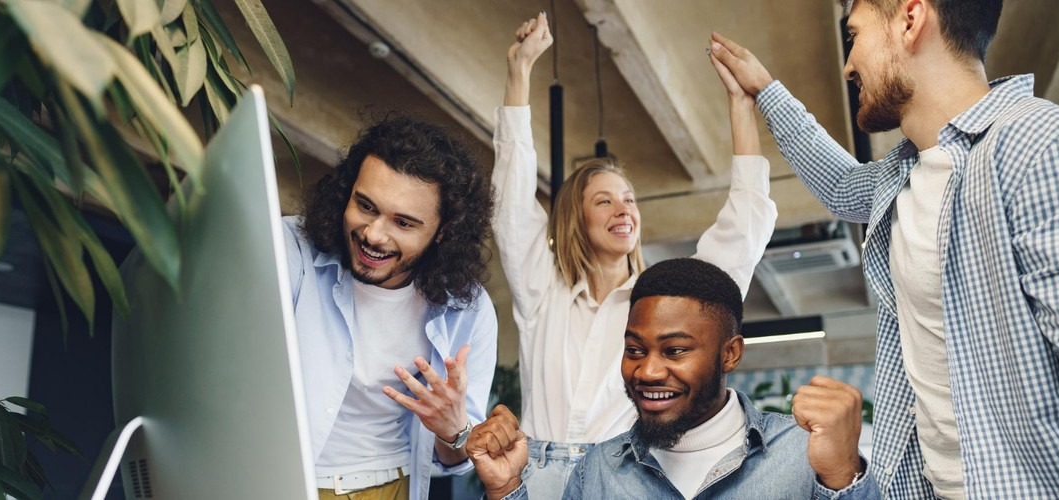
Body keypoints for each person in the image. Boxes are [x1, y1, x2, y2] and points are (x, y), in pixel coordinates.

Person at [708, 0, 1059, 497]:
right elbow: (840, 184)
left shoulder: (1047, 147)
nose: (847, 64)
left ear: (910, 18)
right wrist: (766, 92)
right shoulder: (906, 172)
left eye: (854, 35)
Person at [494, 13, 778, 498]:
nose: (623, 208)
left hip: (625, 477)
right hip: (535, 476)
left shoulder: (665, 300)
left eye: (628, 199)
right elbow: (511, 202)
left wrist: (740, 106)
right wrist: (519, 72)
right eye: (603, 200)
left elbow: (746, 225)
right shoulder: (542, 290)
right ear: (574, 219)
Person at [467, 258, 880, 499]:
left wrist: (842, 476)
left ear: (730, 353)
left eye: (675, 350)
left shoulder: (801, 455)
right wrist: (506, 490)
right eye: (634, 350)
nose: (647, 371)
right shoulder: (600, 468)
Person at [283, 116, 499, 499]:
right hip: (280, 481)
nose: (373, 234)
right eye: (365, 206)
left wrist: (453, 429)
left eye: (403, 223)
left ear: (443, 231)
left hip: (391, 486)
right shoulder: (290, 251)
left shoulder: (468, 309)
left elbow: (458, 456)